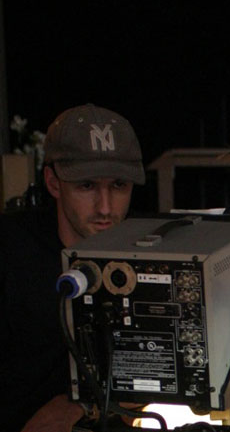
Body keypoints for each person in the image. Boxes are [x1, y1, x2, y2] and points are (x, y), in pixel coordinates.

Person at [0, 104, 145, 432]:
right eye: (87, 186)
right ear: (53, 183)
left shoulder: (150, 252)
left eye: (119, 185)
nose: (105, 207)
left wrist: (79, 405)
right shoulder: (12, 252)